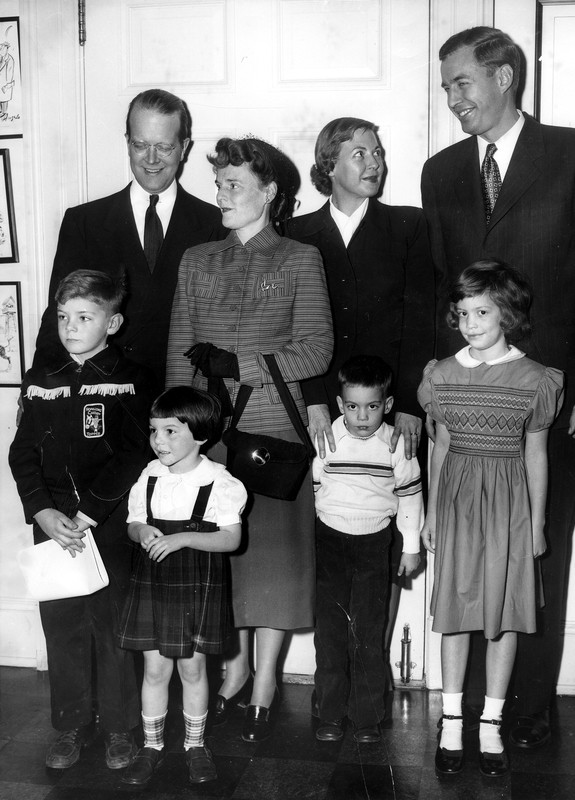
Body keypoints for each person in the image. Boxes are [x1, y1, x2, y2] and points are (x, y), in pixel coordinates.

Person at [421, 26, 575, 748]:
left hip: (551, 401)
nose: (452, 99)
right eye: (446, 85)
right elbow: (440, 293)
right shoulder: (441, 171)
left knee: (537, 549)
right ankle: (464, 711)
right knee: (468, 552)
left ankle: (526, 710)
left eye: (461, 83)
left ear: (505, 75)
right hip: (470, 406)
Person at [165, 136, 333, 743]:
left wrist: (241, 363)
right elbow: (179, 355)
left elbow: (317, 350)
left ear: (271, 193)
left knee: (275, 565)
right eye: (219, 185)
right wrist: (173, 432)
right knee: (220, 563)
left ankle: (265, 682)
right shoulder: (196, 259)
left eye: (234, 185)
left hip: (271, 433)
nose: (221, 196)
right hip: (208, 438)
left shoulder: (298, 258)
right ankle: (233, 665)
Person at [285, 116, 434, 697]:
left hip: (386, 412)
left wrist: (411, 408)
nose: (373, 162)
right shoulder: (297, 232)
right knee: (328, 555)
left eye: (377, 151)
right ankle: (329, 690)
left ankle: (368, 693)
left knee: (378, 558)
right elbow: (291, 327)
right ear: (328, 167)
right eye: (358, 154)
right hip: (324, 411)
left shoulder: (407, 227)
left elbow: (420, 317)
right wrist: (316, 397)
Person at [419, 261, 563, 777]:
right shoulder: (441, 374)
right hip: (457, 501)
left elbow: (536, 455)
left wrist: (538, 523)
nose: (471, 322)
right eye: (462, 313)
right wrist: (432, 512)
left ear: (508, 313)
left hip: (508, 506)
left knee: (502, 615)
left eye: (482, 311)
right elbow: (440, 449)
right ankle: (453, 720)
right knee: (455, 613)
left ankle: (492, 723)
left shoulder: (534, 379)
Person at [9, 270, 156, 771]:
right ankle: (71, 724)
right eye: (63, 317)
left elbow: (134, 453)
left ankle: (119, 729)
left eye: (85, 317)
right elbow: (22, 454)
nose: (70, 327)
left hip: (106, 523)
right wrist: (43, 511)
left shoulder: (132, 380)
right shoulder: (41, 381)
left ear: (112, 322)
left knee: (112, 626)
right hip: (51, 527)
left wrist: (88, 513)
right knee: (63, 625)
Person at [32, 88, 225, 387]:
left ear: (184, 147)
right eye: (140, 145)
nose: (151, 159)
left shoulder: (216, 223)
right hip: (103, 395)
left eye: (163, 146)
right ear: (127, 143)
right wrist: (39, 387)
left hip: (184, 396)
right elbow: (58, 315)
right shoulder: (83, 222)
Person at [119, 387, 247, 787]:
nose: (159, 440)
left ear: (201, 435)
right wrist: (142, 532)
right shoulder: (150, 475)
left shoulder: (220, 482)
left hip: (195, 581)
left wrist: (183, 539)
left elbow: (231, 539)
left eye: (171, 431)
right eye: (155, 431)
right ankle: (152, 746)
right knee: (154, 668)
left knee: (193, 669)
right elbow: (133, 522)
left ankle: (195, 745)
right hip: (154, 580)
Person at [312, 355, 423, 744]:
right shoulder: (326, 439)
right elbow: (315, 489)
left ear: (388, 406)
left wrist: (410, 547)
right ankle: (328, 713)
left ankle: (367, 718)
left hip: (375, 543)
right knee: (329, 633)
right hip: (329, 541)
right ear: (340, 406)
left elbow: (410, 498)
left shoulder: (396, 444)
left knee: (368, 631)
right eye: (354, 407)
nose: (362, 417)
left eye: (373, 407)